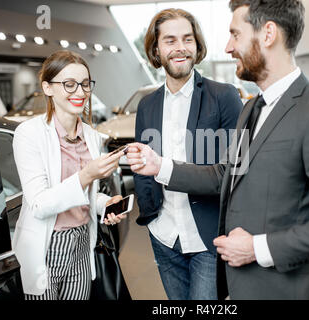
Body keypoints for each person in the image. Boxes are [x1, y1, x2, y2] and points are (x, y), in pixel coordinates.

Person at [127, 0, 309, 300]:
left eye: (235, 34)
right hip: (242, 282)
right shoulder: (252, 108)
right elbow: (225, 174)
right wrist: (159, 166)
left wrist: (257, 248)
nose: (228, 47)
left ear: (268, 34)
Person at [133, 8, 242, 300]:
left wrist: (161, 167)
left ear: (197, 45)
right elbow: (142, 164)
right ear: (156, 49)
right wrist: (150, 216)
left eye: (187, 39)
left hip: (208, 238)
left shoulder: (225, 96)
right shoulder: (147, 106)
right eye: (170, 40)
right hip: (164, 235)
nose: (180, 48)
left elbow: (233, 173)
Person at [12, 50, 127, 300]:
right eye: (69, 84)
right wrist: (86, 174)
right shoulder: (29, 134)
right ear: (48, 87)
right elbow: (40, 204)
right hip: (46, 246)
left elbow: (84, 194)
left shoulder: (92, 136)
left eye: (85, 84)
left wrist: (103, 204)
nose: (80, 92)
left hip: (82, 241)